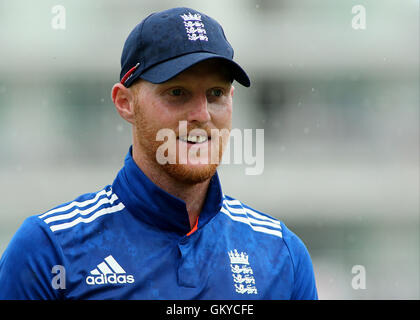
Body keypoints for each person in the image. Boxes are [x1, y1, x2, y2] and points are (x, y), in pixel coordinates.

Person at [0, 7, 317, 300]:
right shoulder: (49, 249)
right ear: (125, 102)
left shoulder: (281, 255)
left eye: (216, 93)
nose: (201, 114)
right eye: (177, 92)